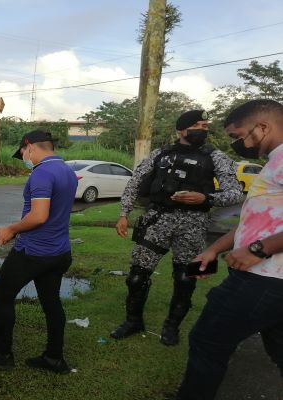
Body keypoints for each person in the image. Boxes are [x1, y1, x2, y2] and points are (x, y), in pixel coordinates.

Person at [177, 99, 283, 400]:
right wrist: (215, 250)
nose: (239, 144)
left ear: (262, 127)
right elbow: (256, 221)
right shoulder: (273, 162)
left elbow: (260, 238)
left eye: (239, 136)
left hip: (264, 278)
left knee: (207, 342)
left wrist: (259, 250)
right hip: (268, 278)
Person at [110, 110, 243, 346]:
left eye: (205, 126)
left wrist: (205, 198)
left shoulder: (216, 156)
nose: (203, 129)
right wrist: (123, 214)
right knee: (136, 276)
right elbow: (135, 182)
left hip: (194, 223)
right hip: (157, 219)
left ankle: (171, 328)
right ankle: (133, 321)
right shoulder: (161, 154)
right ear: (182, 130)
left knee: (185, 278)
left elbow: (234, 193)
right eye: (198, 125)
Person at [0, 130, 77, 374]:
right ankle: (54, 358)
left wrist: (10, 229)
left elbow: (39, 216)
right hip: (59, 251)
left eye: (22, 153)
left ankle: (2, 353)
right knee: (51, 303)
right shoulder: (68, 172)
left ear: (29, 146)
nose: (24, 158)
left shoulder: (41, 173)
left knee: (2, 296)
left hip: (33, 252)